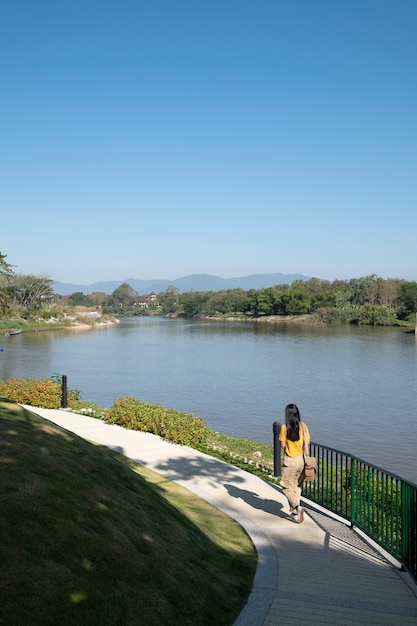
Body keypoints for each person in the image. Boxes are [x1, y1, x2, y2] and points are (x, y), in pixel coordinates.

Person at [279, 403, 310, 523]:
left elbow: (282, 445)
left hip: (290, 460)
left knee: (286, 485)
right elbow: (306, 442)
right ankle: (295, 514)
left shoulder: (284, 427)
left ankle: (297, 507)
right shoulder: (303, 426)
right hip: (301, 460)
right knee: (296, 486)